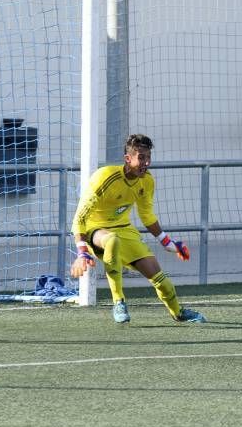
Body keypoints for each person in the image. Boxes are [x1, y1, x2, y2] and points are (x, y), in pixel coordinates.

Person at [69, 134, 206, 324]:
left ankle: (178, 313)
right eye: (141, 157)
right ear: (128, 158)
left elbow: (147, 216)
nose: (146, 162)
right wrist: (82, 251)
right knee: (112, 240)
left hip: (125, 230)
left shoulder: (147, 181)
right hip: (95, 230)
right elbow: (79, 218)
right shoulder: (104, 177)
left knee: (162, 281)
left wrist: (167, 242)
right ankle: (119, 302)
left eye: (148, 157)